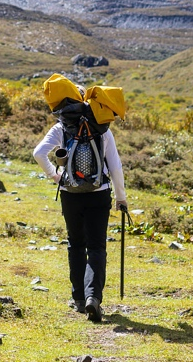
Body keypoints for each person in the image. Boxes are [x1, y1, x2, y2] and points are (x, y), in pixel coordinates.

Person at [33, 102, 127, 322]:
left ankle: (78, 298)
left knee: (75, 243)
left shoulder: (60, 127)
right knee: (96, 246)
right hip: (99, 192)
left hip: (70, 193)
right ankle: (93, 298)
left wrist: (54, 175)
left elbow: (39, 153)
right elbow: (115, 166)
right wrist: (121, 198)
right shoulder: (102, 128)